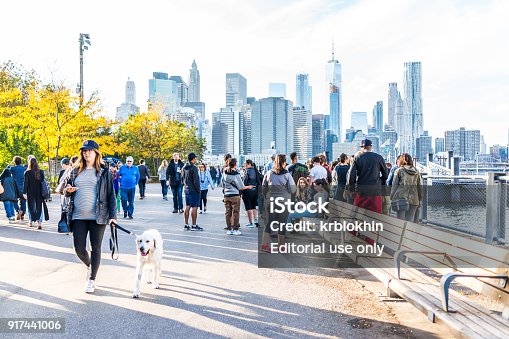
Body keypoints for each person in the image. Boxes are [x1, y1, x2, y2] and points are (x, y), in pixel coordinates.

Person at [64, 140, 117, 293]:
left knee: (96, 248)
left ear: (96, 153)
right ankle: (90, 265)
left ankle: (92, 279)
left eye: (89, 150)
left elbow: (110, 195)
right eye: (84, 150)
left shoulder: (104, 171)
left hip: (98, 216)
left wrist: (113, 216)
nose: (86, 153)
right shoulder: (74, 170)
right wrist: (69, 190)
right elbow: (65, 191)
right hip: (78, 216)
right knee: (79, 248)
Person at [260, 154, 296, 251]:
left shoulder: (268, 173)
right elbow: (292, 190)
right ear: (284, 163)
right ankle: (281, 246)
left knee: (269, 222)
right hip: (284, 202)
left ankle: (264, 245)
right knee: (282, 223)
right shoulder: (287, 175)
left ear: (274, 162)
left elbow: (263, 187)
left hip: (270, 201)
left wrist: (267, 195)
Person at [346, 139, 388, 213]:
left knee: (358, 214)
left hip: (361, 189)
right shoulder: (379, 157)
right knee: (375, 215)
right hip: (375, 190)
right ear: (371, 147)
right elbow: (385, 175)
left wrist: (351, 189)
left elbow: (351, 175)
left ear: (362, 147)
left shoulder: (358, 157)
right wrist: (378, 181)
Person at [222, 158, 254, 235]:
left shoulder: (224, 173)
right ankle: (236, 229)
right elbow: (241, 187)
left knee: (227, 213)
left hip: (226, 195)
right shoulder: (236, 174)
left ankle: (229, 229)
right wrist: (249, 187)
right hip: (235, 196)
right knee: (235, 213)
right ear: (235, 164)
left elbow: (222, 184)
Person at [390, 153, 422, 221]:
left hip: (401, 199)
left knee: (400, 221)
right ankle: (408, 231)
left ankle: (401, 232)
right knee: (409, 220)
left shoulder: (399, 171)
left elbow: (394, 187)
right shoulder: (416, 172)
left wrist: (391, 198)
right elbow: (420, 188)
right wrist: (420, 200)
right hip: (414, 200)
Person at [23, 157, 47, 229]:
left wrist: (24, 193)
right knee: (39, 207)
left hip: (30, 192)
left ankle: (30, 222)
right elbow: (43, 182)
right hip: (39, 192)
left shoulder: (27, 172)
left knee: (31, 207)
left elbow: (26, 183)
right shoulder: (41, 171)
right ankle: (39, 223)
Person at [181, 152, 202, 231]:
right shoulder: (194, 168)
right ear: (193, 159)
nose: (195, 159)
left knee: (187, 206)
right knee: (194, 207)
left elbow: (182, 178)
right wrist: (198, 190)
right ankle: (194, 225)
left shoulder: (184, 167)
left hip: (186, 189)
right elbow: (196, 181)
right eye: (195, 158)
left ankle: (186, 224)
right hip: (193, 189)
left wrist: (185, 185)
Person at [242, 160, 260, 227]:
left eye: (246, 164)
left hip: (248, 190)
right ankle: (255, 219)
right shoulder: (256, 171)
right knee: (253, 206)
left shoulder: (247, 171)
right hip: (255, 190)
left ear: (249, 164)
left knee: (248, 207)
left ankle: (250, 223)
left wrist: (242, 190)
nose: (245, 166)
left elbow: (245, 181)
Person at [9, 156, 26, 221]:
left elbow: (5, 170)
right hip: (23, 187)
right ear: (21, 162)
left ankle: (18, 211)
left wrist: (10, 163)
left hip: (15, 188)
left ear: (14, 162)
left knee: (13, 200)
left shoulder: (12, 168)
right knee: (23, 201)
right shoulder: (24, 168)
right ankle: (22, 215)